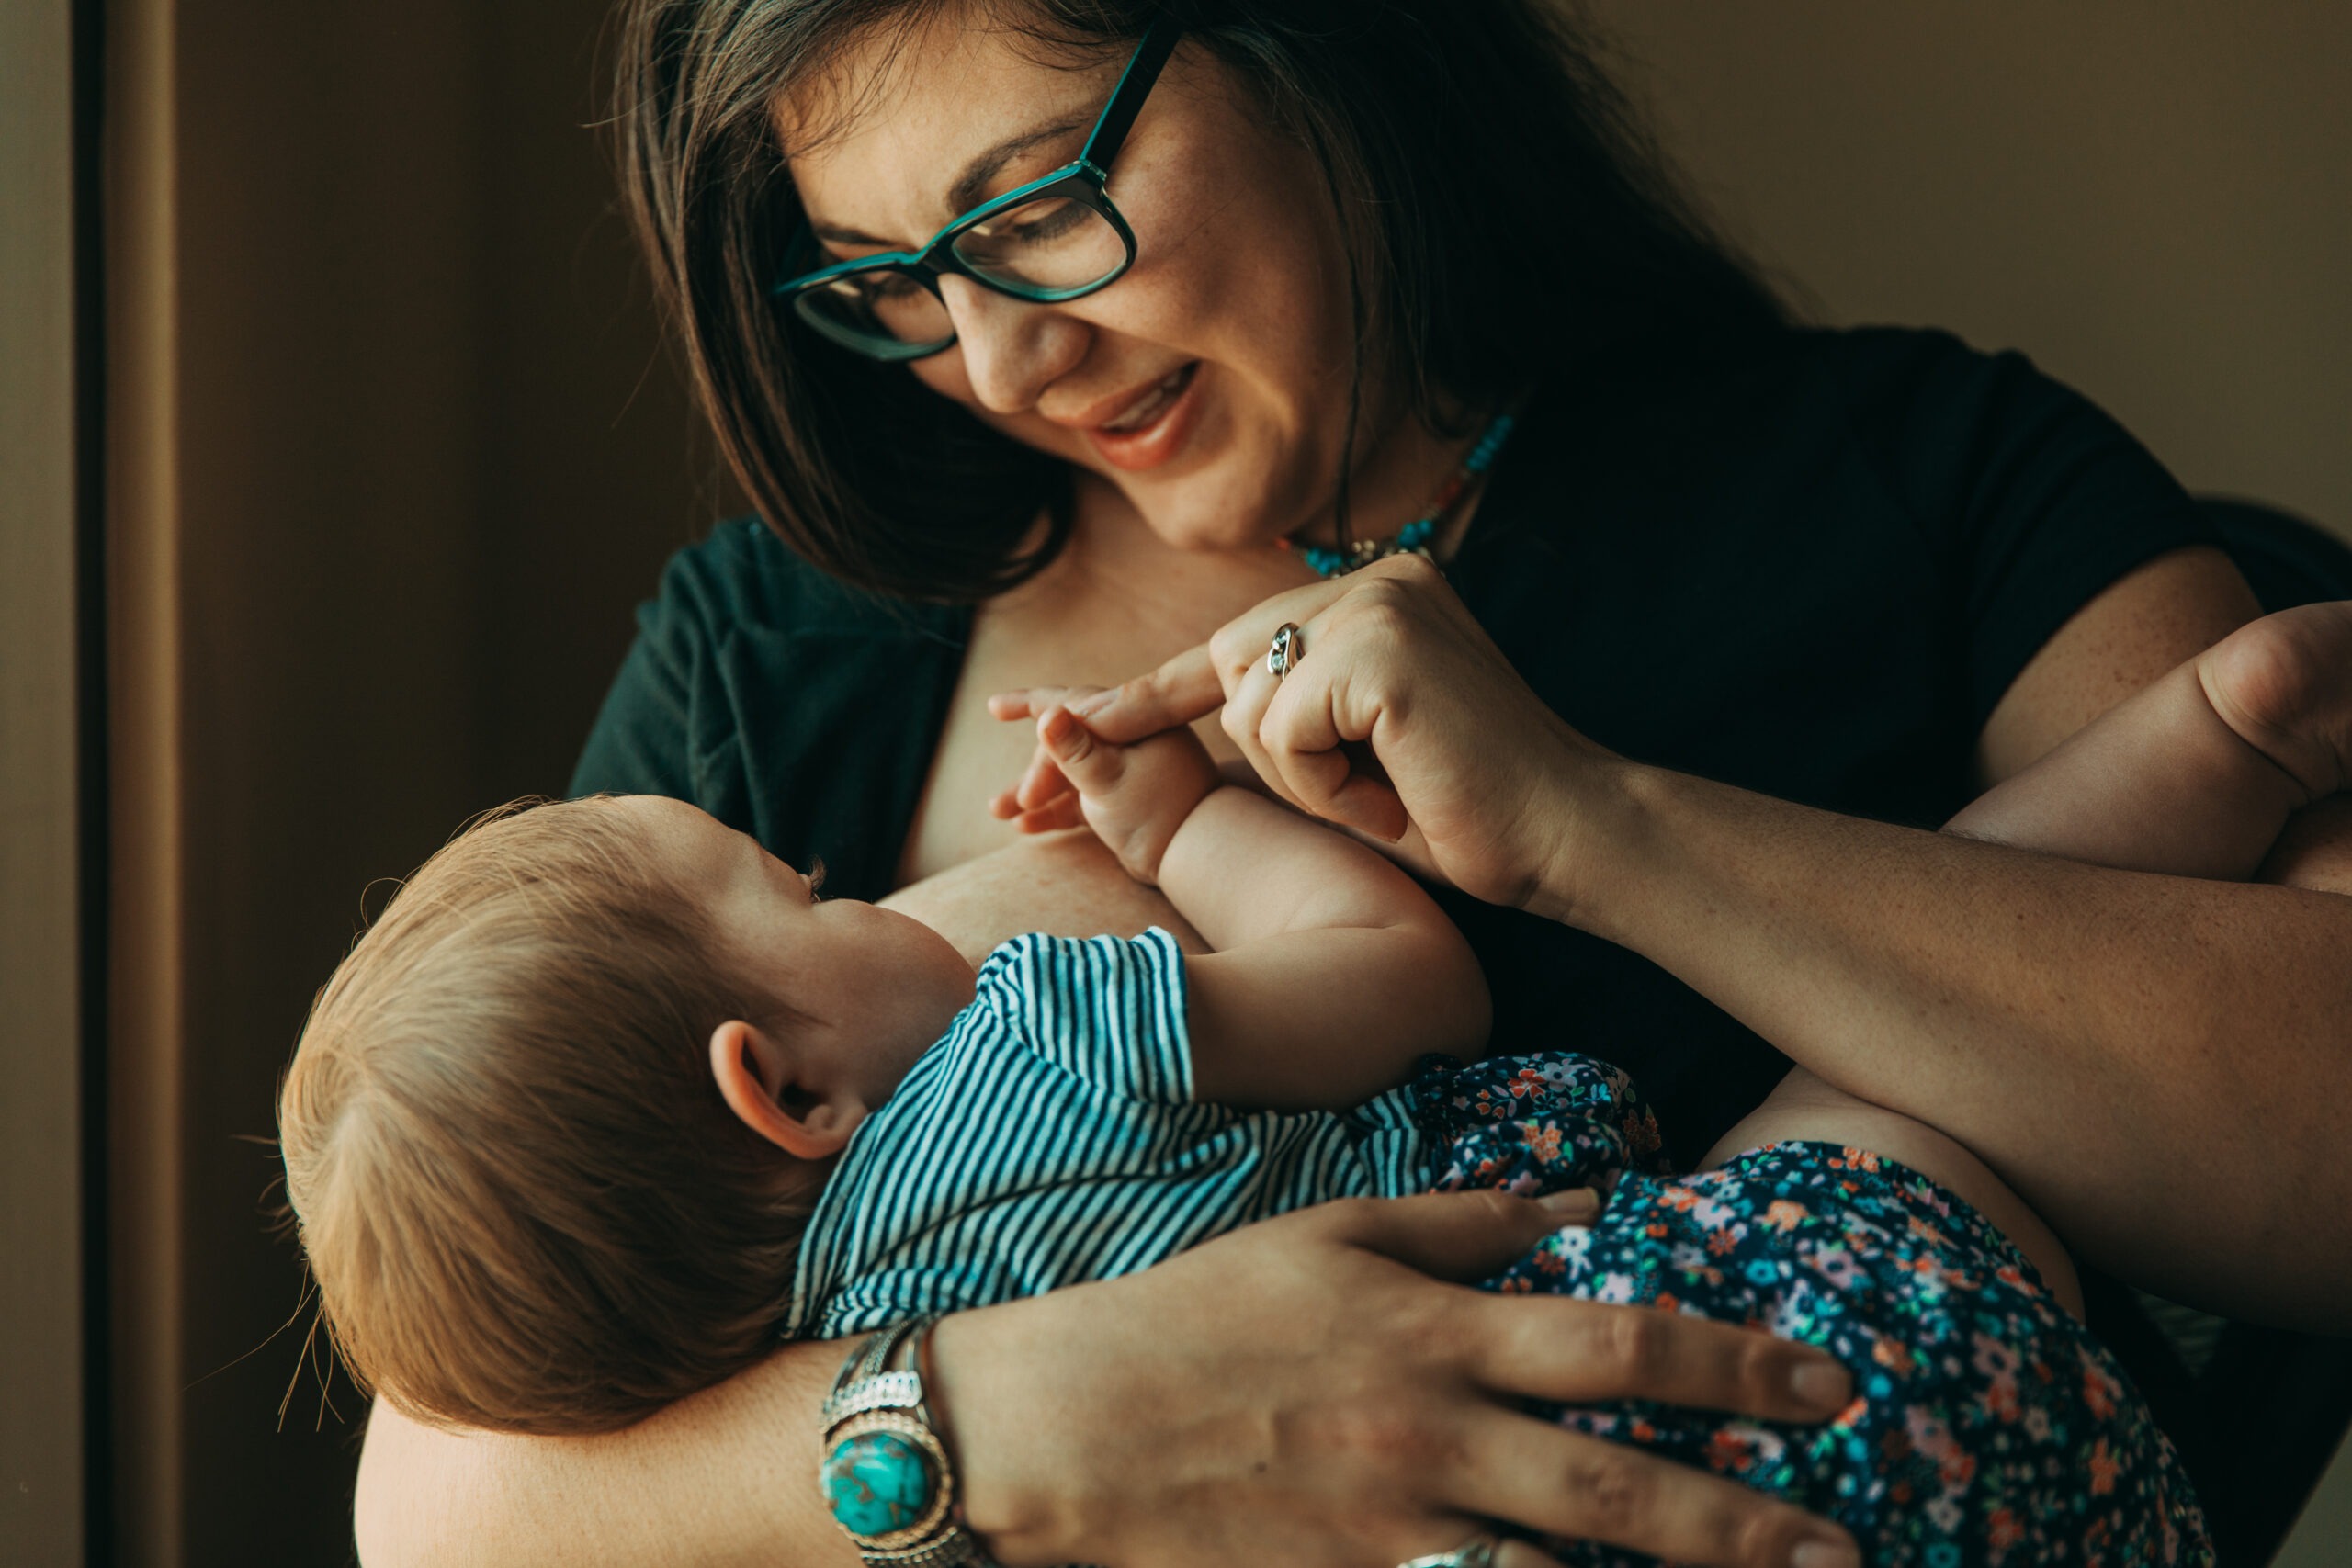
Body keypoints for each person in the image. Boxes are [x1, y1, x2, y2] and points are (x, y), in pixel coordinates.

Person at [352, 4, 2352, 1566]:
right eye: (879, 279)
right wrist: (1029, 1418)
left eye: (1038, 202)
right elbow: (442, 1490)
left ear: (1312, 38)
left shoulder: (1916, 486)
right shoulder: (780, 653)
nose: (994, 362)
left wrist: (1604, 829)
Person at [306, 596, 2346, 1558]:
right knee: (1868, 1114)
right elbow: (1395, 974)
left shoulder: (781, 1326)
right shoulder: (1037, 1026)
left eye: (1041, 200)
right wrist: (1176, 816)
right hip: (1789, 1372)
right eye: (808, 878)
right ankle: (2218, 739)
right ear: (781, 1087)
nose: (995, 333)